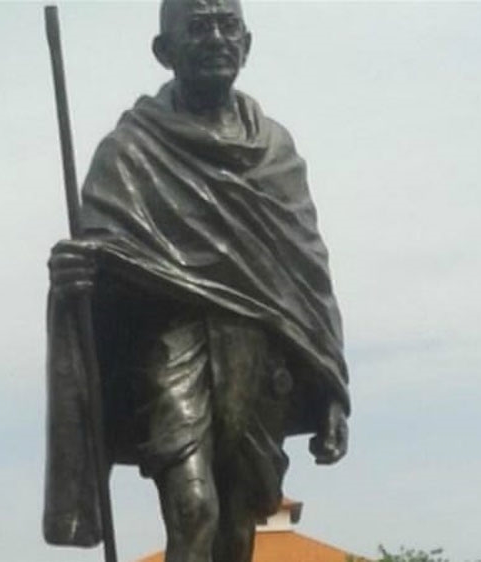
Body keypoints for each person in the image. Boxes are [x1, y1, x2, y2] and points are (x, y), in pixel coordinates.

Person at [43, 1, 349, 561]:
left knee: (239, 519)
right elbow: (105, 257)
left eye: (227, 27)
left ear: (248, 44)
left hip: (261, 354)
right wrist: (76, 273)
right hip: (172, 344)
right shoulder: (130, 153)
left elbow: (308, 276)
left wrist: (332, 391)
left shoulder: (275, 153)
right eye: (198, 28)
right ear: (164, 52)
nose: (215, 39)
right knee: (192, 507)